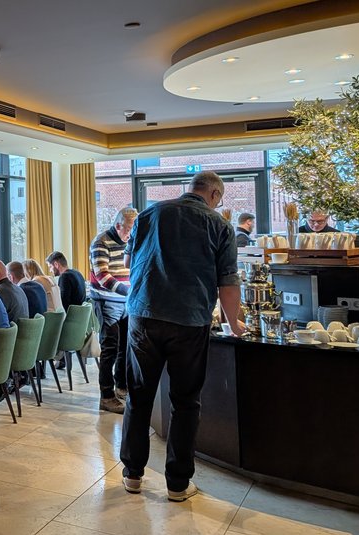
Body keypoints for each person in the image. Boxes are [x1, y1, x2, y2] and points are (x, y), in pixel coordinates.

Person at [121, 170, 245, 502]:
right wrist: (234, 324)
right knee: (185, 401)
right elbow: (228, 282)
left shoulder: (150, 213)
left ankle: (132, 474)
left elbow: (129, 260)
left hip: (144, 315)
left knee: (138, 396)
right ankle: (177, 484)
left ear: (191, 188)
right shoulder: (220, 225)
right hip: (189, 321)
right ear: (214, 194)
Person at [90, 207, 137, 414]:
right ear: (118, 226)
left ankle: (122, 387)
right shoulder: (101, 242)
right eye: (128, 230)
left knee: (125, 347)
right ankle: (106, 396)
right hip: (107, 301)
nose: (131, 235)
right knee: (109, 348)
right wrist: (130, 291)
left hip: (126, 302)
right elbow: (102, 276)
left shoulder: (130, 241)